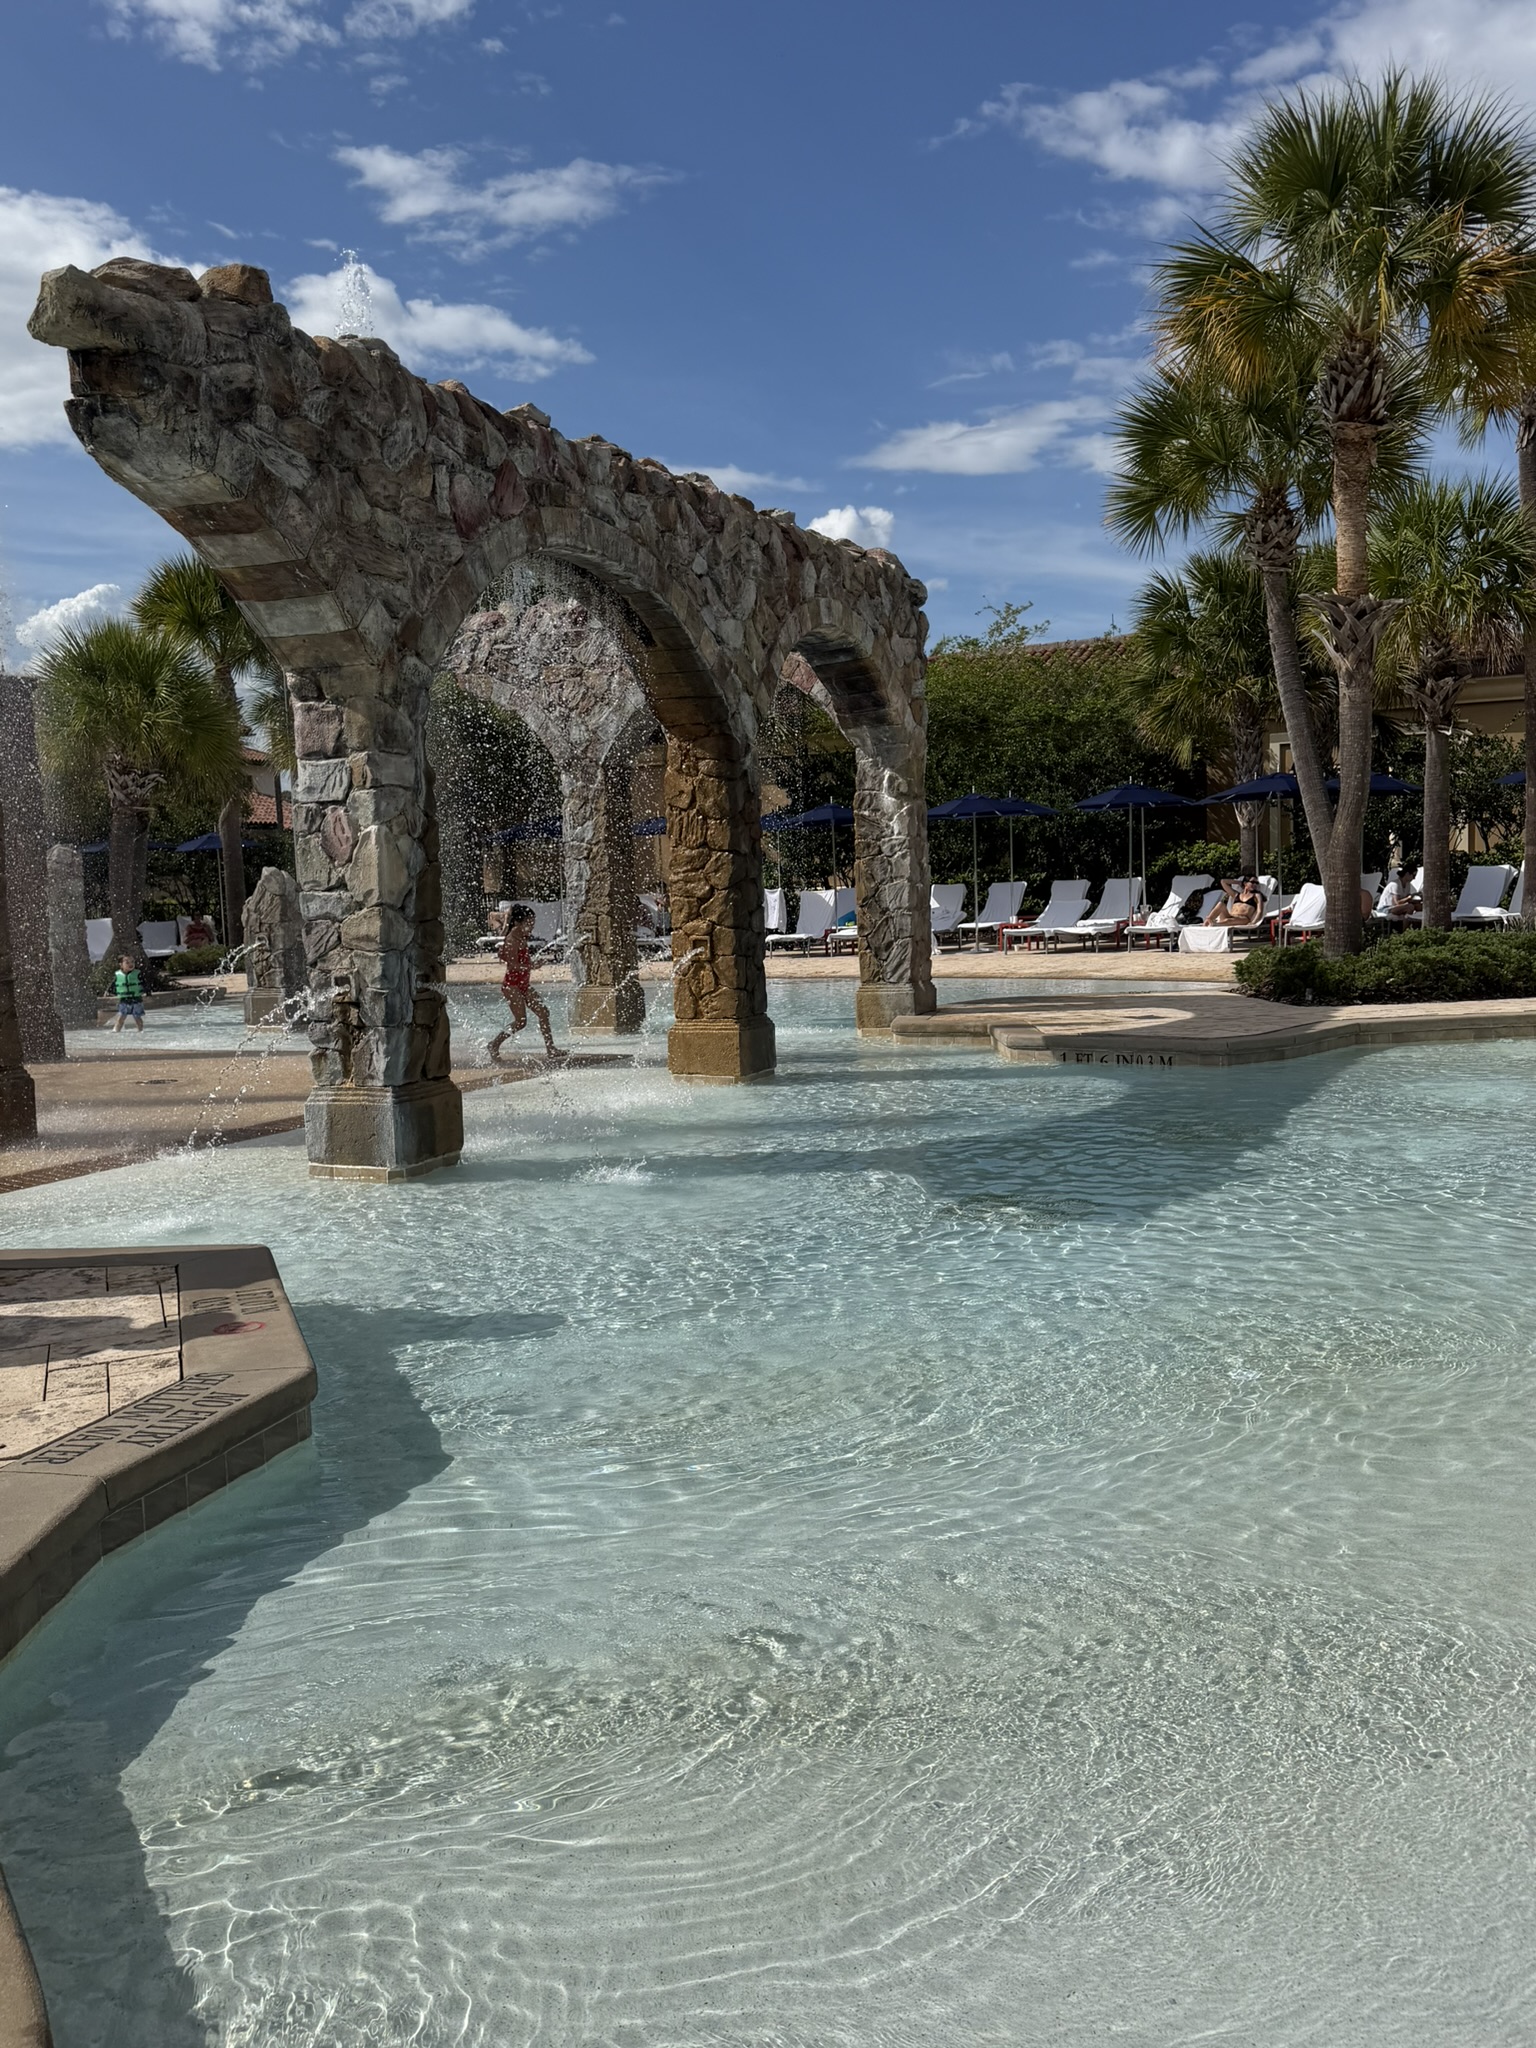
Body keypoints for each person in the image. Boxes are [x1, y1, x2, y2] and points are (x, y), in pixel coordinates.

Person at [488, 906, 562, 1062]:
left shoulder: (521, 936)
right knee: (521, 1022)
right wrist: (532, 966)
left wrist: (532, 963)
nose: (532, 926)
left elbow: (521, 961)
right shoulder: (512, 940)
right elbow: (513, 965)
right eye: (530, 922)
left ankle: (551, 1049)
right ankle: (494, 1045)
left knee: (543, 1012)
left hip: (523, 984)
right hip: (512, 986)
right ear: (519, 922)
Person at [111, 956, 146, 1032]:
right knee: (121, 1017)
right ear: (121, 965)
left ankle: (140, 1031)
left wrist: (147, 991)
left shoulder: (137, 974)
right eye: (127, 962)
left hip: (136, 999)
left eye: (132, 962)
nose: (131, 964)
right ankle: (116, 1031)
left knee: (137, 1017)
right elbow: (112, 985)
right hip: (123, 1000)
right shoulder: (118, 975)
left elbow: (144, 984)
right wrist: (108, 992)